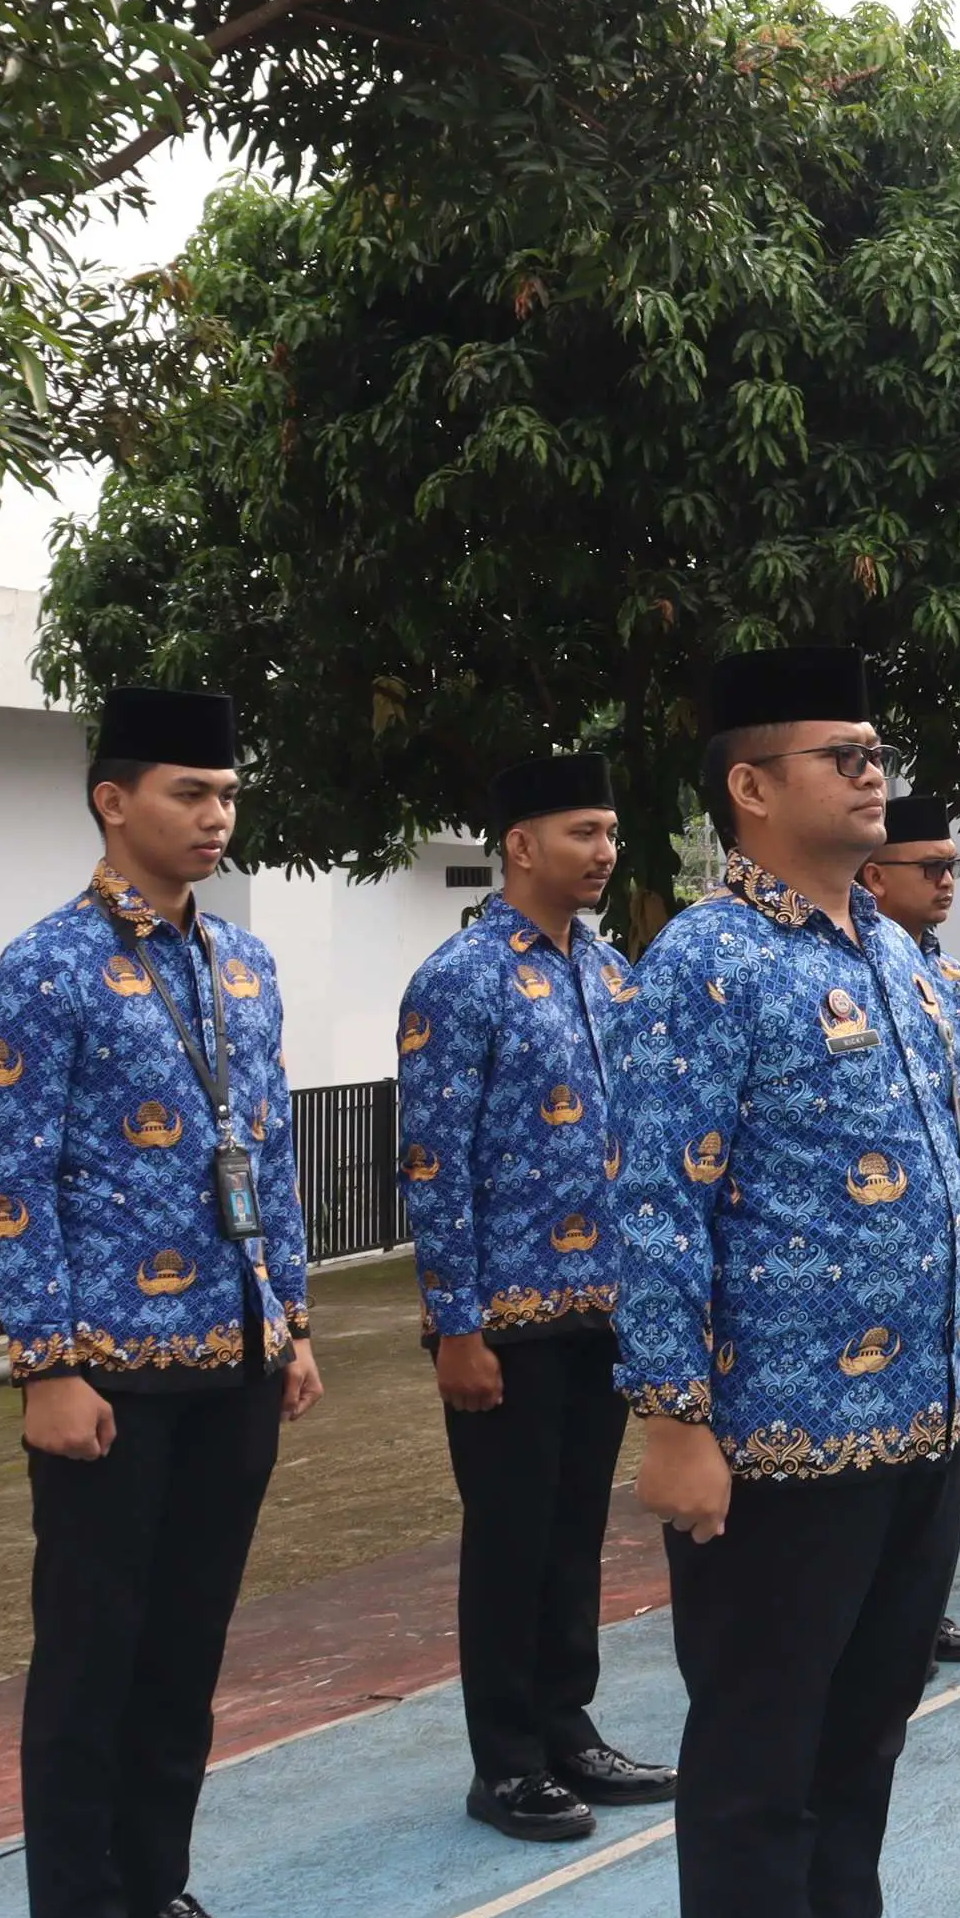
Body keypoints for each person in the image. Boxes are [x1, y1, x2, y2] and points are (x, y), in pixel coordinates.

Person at [612, 648, 960, 1918]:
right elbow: (657, 1201)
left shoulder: (899, 955)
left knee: (866, 1731)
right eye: (843, 754)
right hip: (775, 1438)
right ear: (752, 787)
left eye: (876, 749)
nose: (874, 771)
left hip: (920, 1421)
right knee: (760, 1756)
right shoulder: (705, 963)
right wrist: (674, 1418)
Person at [0, 687, 318, 1918]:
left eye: (228, 795)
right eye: (190, 793)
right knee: (92, 1652)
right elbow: (18, 1179)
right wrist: (46, 1363)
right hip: (108, 1369)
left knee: (185, 1645)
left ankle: (159, 1892)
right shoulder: (44, 967)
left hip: (230, 1355)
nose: (216, 816)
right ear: (114, 801)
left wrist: (285, 1318)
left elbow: (274, 1156)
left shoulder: (245, 965)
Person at [399, 753, 675, 1848]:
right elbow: (434, 1164)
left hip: (599, 1307)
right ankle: (506, 1759)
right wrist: (454, 1324)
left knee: (574, 1531)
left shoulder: (610, 972)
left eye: (610, 833)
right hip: (505, 1319)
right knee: (509, 1535)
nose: (605, 852)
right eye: (584, 833)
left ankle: (569, 1725)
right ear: (520, 844)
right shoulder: (456, 980)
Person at [863, 798, 960, 1673]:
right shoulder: (856, 978)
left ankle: (922, 1604)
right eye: (931, 867)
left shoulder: (945, 979)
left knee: (947, 1431)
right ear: (875, 877)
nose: (948, 881)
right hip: (889, 1252)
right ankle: (882, 1615)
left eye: (956, 866)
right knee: (887, 1437)